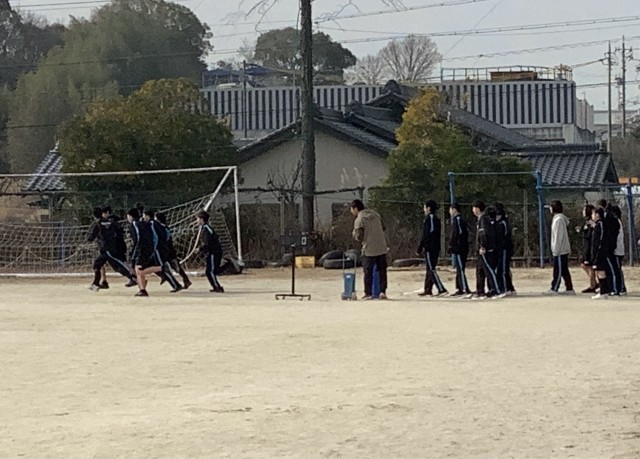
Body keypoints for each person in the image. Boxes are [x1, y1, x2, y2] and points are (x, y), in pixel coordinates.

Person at [87, 205, 137, 291]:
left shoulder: (97, 224)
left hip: (106, 249)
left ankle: (133, 277)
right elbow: (118, 231)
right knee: (97, 264)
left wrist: (89, 239)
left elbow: (91, 237)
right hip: (110, 248)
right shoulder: (110, 222)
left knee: (118, 265)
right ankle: (96, 284)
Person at [351, 199, 388, 300]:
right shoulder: (376, 215)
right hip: (382, 247)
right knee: (382, 271)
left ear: (355, 208)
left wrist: (354, 234)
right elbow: (383, 227)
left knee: (368, 272)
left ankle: (368, 293)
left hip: (369, 249)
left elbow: (359, 236)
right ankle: (382, 292)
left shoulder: (359, 219)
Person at [143, 209, 182, 293]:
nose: (143, 218)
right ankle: (164, 276)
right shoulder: (158, 224)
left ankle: (176, 285)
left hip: (158, 250)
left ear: (147, 216)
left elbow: (155, 237)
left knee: (162, 267)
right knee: (151, 265)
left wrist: (154, 247)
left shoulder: (152, 224)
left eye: (144, 216)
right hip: (161, 249)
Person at [127, 208, 162, 297]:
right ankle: (142, 289)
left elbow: (137, 239)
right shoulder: (144, 223)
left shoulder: (134, 224)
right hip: (147, 248)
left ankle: (162, 268)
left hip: (142, 249)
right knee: (137, 268)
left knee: (140, 270)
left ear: (130, 216)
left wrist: (134, 252)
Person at [471, 200, 502, 299]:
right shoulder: (482, 219)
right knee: (480, 271)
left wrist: (482, 246)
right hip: (482, 250)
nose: (473, 210)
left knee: (489, 270)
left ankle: (496, 290)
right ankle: (480, 291)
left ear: (477, 209)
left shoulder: (483, 219)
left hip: (485, 250)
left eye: (474, 208)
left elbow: (483, 234)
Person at [416, 200, 447, 297]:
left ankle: (441, 289)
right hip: (433, 247)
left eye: (424, 207)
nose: (424, 209)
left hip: (431, 248)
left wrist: (421, 246)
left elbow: (428, 234)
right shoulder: (432, 218)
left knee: (431, 269)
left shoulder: (431, 218)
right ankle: (428, 289)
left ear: (428, 208)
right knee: (429, 268)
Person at [155, 212, 192, 289]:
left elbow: (166, 239)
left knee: (175, 266)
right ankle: (184, 279)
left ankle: (184, 280)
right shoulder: (163, 227)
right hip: (167, 249)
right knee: (169, 265)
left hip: (168, 250)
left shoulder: (163, 227)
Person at [545, 200, 574, 295]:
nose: (550, 209)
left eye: (550, 207)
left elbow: (558, 236)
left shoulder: (558, 220)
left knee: (558, 270)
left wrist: (556, 250)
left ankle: (555, 288)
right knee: (564, 270)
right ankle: (569, 288)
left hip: (560, 250)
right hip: (561, 249)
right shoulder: (558, 219)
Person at [595, 199, 619, 295]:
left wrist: (608, 246)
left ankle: (615, 289)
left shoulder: (609, 219)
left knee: (613, 269)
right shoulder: (606, 220)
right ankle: (608, 287)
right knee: (607, 269)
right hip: (607, 247)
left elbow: (611, 233)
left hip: (609, 248)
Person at [197, 210, 224, 293]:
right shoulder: (206, 228)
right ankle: (216, 286)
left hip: (213, 252)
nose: (197, 220)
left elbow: (207, 243)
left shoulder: (206, 229)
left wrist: (200, 249)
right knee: (210, 271)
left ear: (202, 219)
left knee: (210, 271)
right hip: (213, 252)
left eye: (198, 218)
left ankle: (217, 287)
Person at [447, 203, 471, 297]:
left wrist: (453, 245)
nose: (450, 211)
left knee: (460, 269)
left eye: (450, 209)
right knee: (458, 269)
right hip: (459, 248)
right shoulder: (457, 220)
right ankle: (460, 288)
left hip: (460, 249)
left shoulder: (458, 219)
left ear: (454, 209)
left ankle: (464, 289)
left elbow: (458, 234)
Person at [494, 202, 516, 296]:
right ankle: (508, 287)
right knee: (502, 269)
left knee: (503, 270)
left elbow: (503, 236)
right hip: (501, 249)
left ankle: (506, 288)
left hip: (504, 249)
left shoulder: (503, 222)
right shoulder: (500, 222)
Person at [576, 204, 597, 294]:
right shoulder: (586, 222)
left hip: (590, 247)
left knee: (590, 266)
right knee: (583, 265)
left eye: (584, 210)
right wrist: (580, 230)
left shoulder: (592, 222)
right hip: (586, 246)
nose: (583, 212)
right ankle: (594, 283)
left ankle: (593, 285)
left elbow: (590, 234)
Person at [591, 207, 610, 300]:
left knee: (601, 271)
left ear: (597, 214)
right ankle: (603, 290)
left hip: (600, 252)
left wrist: (598, 252)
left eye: (593, 214)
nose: (592, 216)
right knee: (598, 271)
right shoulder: (597, 225)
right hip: (598, 252)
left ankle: (603, 291)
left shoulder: (601, 224)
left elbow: (601, 240)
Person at [611, 205, 627, 295]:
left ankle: (621, 288)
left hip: (617, 250)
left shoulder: (616, 222)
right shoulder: (617, 221)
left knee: (617, 269)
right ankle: (621, 287)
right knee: (617, 269)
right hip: (618, 249)